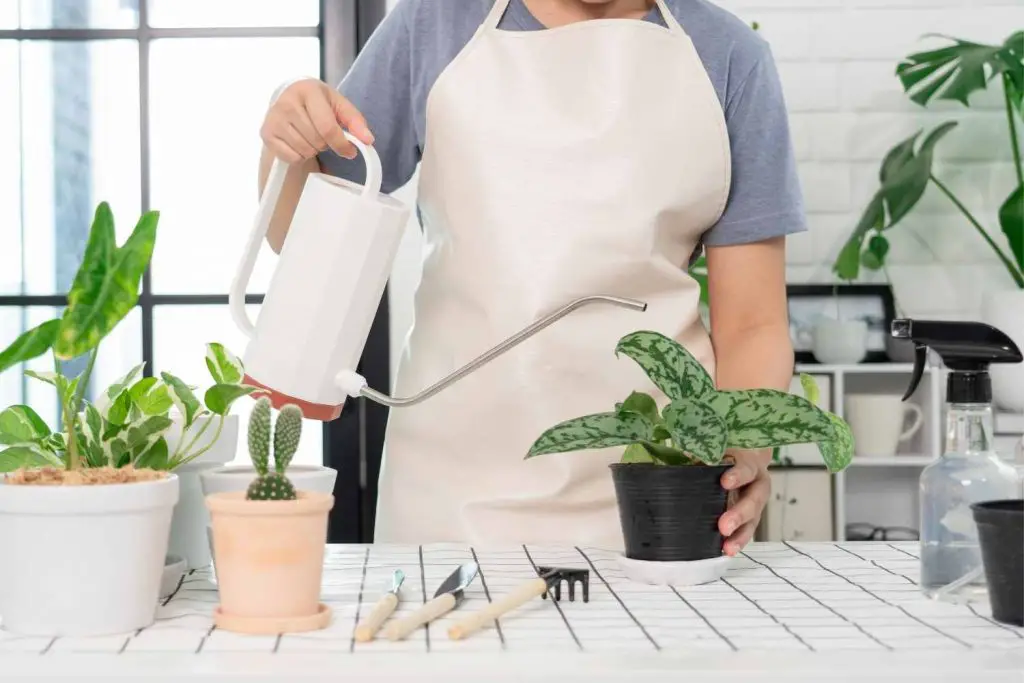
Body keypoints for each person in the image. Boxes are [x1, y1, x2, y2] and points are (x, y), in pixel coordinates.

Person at [257, 0, 803, 556]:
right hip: (448, 485)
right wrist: (289, 139)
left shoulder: (730, 57)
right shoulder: (433, 24)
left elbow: (752, 326)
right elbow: (298, 237)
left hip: (659, 483)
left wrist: (743, 451)